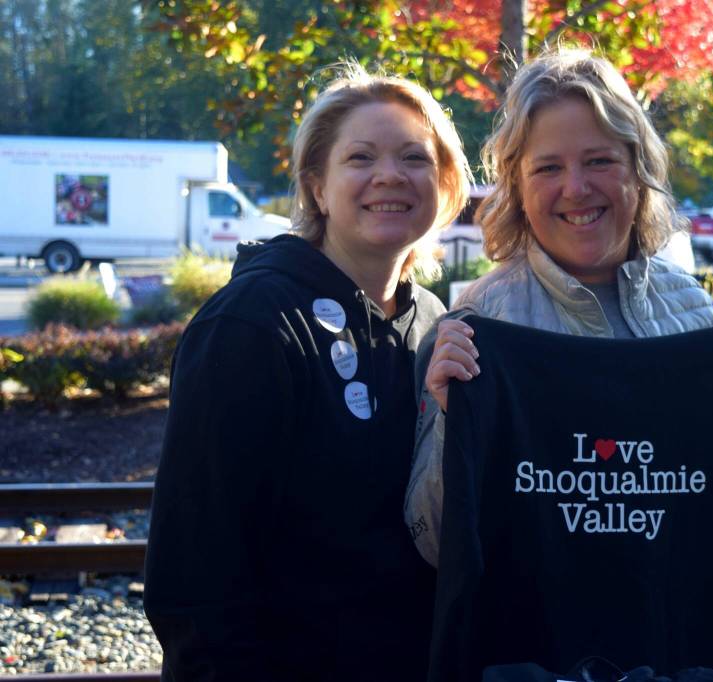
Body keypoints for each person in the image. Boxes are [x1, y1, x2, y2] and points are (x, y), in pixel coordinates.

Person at [404, 49, 713, 567]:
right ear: (517, 188)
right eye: (548, 167)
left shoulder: (693, 311)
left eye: (599, 160)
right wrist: (458, 423)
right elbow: (432, 543)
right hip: (539, 641)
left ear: (639, 169)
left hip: (668, 635)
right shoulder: (480, 327)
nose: (576, 188)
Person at [144, 65, 471, 680]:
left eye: (414, 157)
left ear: (446, 185)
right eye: (360, 158)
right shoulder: (250, 325)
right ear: (316, 187)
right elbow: (194, 576)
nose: (389, 176)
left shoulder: (436, 324)